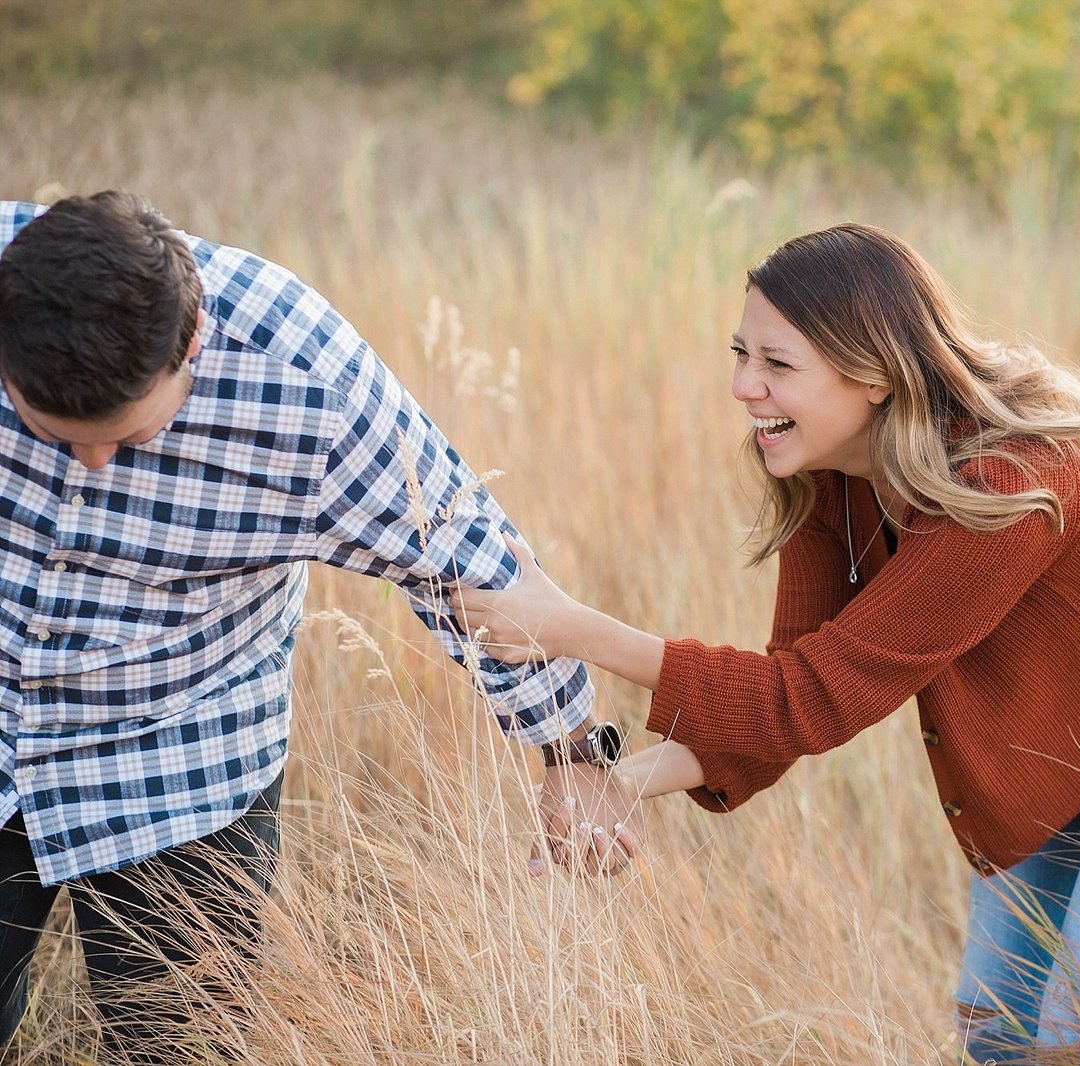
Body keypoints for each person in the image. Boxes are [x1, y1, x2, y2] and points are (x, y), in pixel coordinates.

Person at [457, 222, 1080, 1062]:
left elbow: (811, 694)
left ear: (872, 375)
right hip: (1064, 728)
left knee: (1077, 1037)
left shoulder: (1009, 478)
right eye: (740, 354)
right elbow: (784, 704)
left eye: (777, 364)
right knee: (999, 1032)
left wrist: (573, 628)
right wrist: (617, 784)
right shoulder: (830, 476)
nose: (743, 387)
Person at [0, 191, 636, 1062]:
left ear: (193, 344)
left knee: (176, 1049)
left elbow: (468, 563)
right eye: (50, 433)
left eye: (127, 435)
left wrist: (573, 756)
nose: (94, 464)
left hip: (180, 763)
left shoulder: (309, 382)